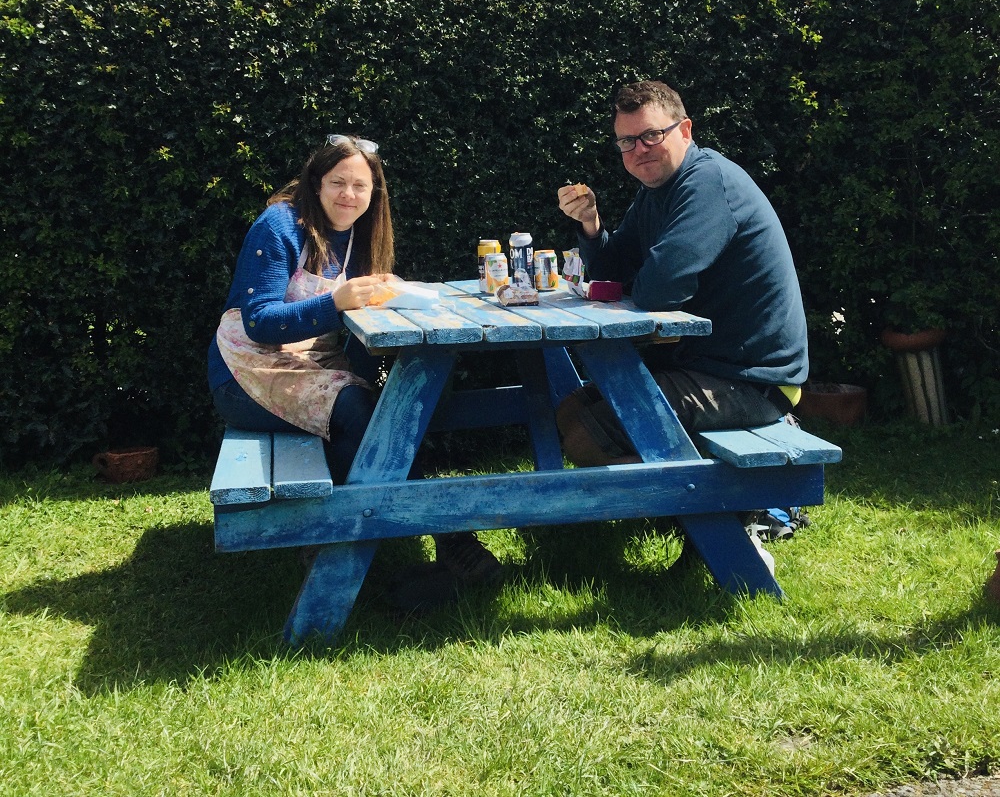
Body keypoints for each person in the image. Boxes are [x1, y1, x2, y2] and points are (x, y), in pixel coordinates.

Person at [207, 134, 500, 587]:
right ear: (316, 183)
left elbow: (354, 331)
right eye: (338, 182)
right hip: (245, 371)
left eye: (360, 186)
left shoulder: (357, 238)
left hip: (314, 367)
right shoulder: (280, 225)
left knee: (383, 410)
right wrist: (336, 303)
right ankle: (400, 543)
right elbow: (259, 321)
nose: (349, 194)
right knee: (360, 411)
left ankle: (352, 539)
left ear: (373, 193)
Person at [555, 80, 809, 463]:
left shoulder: (707, 183)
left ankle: (725, 504)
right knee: (571, 410)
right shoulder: (657, 191)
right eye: (627, 141)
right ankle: (695, 500)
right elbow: (611, 273)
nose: (639, 149)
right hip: (700, 363)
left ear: (685, 130)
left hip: (754, 381)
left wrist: (640, 278)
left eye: (651, 135)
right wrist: (591, 224)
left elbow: (659, 290)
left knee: (587, 438)